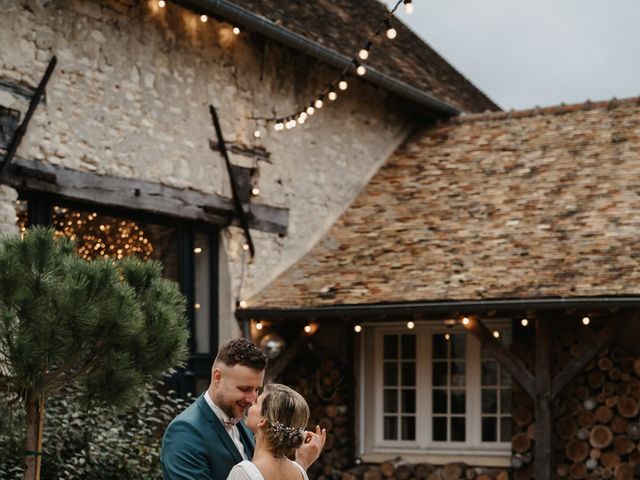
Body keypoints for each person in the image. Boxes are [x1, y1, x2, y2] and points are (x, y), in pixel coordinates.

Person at [161, 337, 325, 480]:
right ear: (218, 377)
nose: (252, 399)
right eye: (244, 389)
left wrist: (300, 464)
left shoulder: (249, 426)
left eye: (256, 389)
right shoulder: (184, 432)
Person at [226, 383, 312, 480]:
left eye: (256, 402)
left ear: (262, 420)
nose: (250, 403)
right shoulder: (300, 473)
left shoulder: (243, 472)